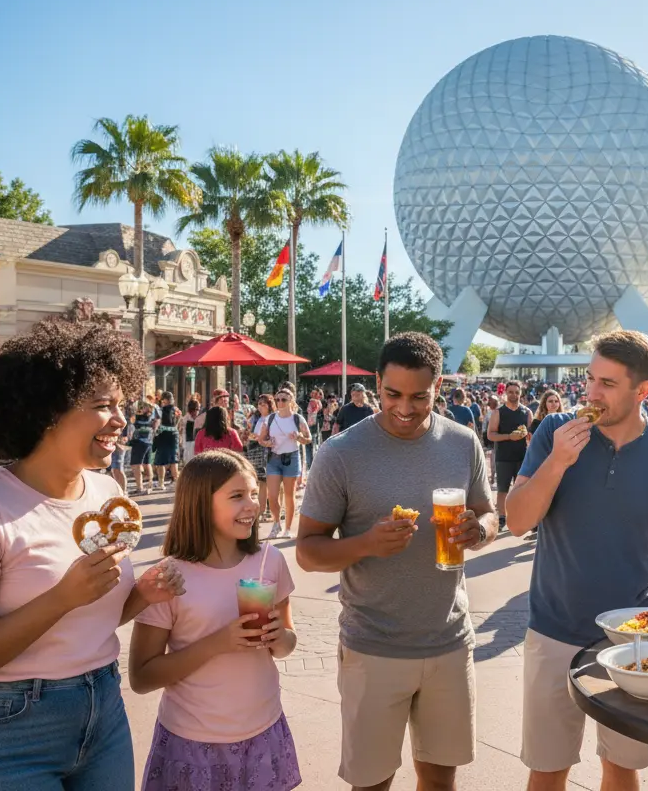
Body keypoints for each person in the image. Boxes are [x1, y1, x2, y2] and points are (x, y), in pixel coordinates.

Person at [0, 318, 184, 789]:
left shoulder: (106, 491)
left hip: (102, 708)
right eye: (103, 406)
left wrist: (140, 594)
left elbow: (83, 622)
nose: (121, 420)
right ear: (46, 412)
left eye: (120, 404)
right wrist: (61, 597)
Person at [505, 330, 648, 791]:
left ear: (644, 391)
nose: (592, 394)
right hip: (553, 627)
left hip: (632, 638)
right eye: (590, 379)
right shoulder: (553, 431)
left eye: (608, 384)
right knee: (547, 766)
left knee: (622, 767)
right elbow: (517, 521)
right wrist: (557, 461)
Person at [296, 332, 498, 791]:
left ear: (439, 386)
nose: (404, 408)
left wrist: (480, 531)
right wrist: (366, 543)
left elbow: (488, 513)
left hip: (449, 640)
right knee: (371, 783)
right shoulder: (340, 453)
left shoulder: (462, 442)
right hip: (373, 646)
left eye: (419, 397)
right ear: (377, 384)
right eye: (392, 394)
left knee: (440, 780)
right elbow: (307, 552)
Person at [130, 449, 300, 790]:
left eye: (254, 493)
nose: (252, 504)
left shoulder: (269, 561)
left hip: (263, 730)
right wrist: (217, 644)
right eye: (237, 496)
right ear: (199, 503)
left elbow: (287, 643)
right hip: (192, 742)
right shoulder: (169, 577)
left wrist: (280, 638)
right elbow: (142, 676)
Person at [256, 389, 310, 540]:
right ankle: (276, 523)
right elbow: (260, 439)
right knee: (272, 496)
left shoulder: (297, 419)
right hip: (274, 458)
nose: (280, 402)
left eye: (283, 400)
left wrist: (299, 437)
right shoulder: (271, 419)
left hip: (291, 458)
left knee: (289, 495)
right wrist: (267, 442)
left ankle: (287, 528)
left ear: (291, 402)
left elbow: (308, 438)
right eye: (278, 399)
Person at [487, 381, 533, 531]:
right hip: (503, 457)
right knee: (502, 489)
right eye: (511, 392)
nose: (514, 395)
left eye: (516, 392)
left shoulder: (527, 412)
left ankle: (522, 517)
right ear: (506, 393)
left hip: (522, 456)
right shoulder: (498, 412)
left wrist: (527, 437)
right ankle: (501, 517)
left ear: (521, 394)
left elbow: (531, 436)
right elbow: (491, 435)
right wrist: (509, 436)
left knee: (522, 489)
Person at [153, 391, 181, 489]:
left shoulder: (161, 410)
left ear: (165, 400)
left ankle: (161, 483)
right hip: (174, 435)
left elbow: (158, 423)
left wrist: (155, 432)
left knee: (161, 461)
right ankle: (177, 482)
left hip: (163, 435)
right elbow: (178, 424)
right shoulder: (177, 410)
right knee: (174, 460)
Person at [129, 399, 157, 494]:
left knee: (135, 465)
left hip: (139, 442)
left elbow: (131, 418)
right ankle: (150, 485)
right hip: (148, 442)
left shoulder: (138, 417)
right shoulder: (151, 417)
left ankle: (140, 487)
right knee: (147, 463)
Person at [182, 398, 202, 463]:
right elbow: (184, 433)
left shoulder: (199, 419)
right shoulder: (186, 419)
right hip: (189, 445)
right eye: (198, 409)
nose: (199, 411)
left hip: (197, 445)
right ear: (193, 410)